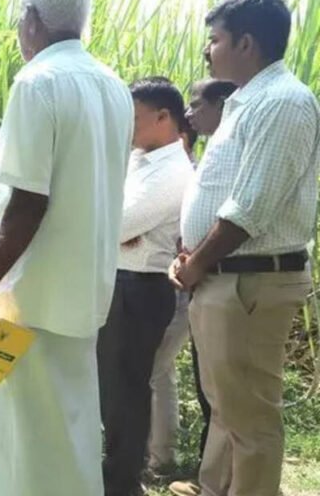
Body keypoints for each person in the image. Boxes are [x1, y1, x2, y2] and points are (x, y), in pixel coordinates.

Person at [0, 0, 133, 496]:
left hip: (26, 297)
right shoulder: (114, 86)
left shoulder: (36, 82)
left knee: (22, 443)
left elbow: (27, 202)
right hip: (82, 292)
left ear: (32, 21)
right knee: (72, 431)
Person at [170, 0, 320, 496]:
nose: (207, 51)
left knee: (252, 416)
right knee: (228, 403)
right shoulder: (245, 101)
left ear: (247, 42)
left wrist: (196, 262)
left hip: (250, 282)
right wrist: (191, 252)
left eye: (214, 40)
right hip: (223, 275)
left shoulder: (284, 103)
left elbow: (250, 209)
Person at [98, 77, 194, 496]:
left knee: (127, 389)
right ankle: (115, 472)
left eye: (134, 118)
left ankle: (123, 483)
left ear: (163, 117)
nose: (128, 127)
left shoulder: (173, 171)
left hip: (141, 287)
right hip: (119, 279)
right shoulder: (138, 160)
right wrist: (111, 228)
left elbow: (113, 223)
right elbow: (108, 218)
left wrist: (111, 228)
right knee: (111, 388)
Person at [151, 79, 234, 485]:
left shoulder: (188, 170)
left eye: (197, 104)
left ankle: (169, 459)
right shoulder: (203, 166)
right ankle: (210, 475)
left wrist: (194, 262)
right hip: (195, 281)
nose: (190, 113)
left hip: (204, 279)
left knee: (221, 391)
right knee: (208, 388)